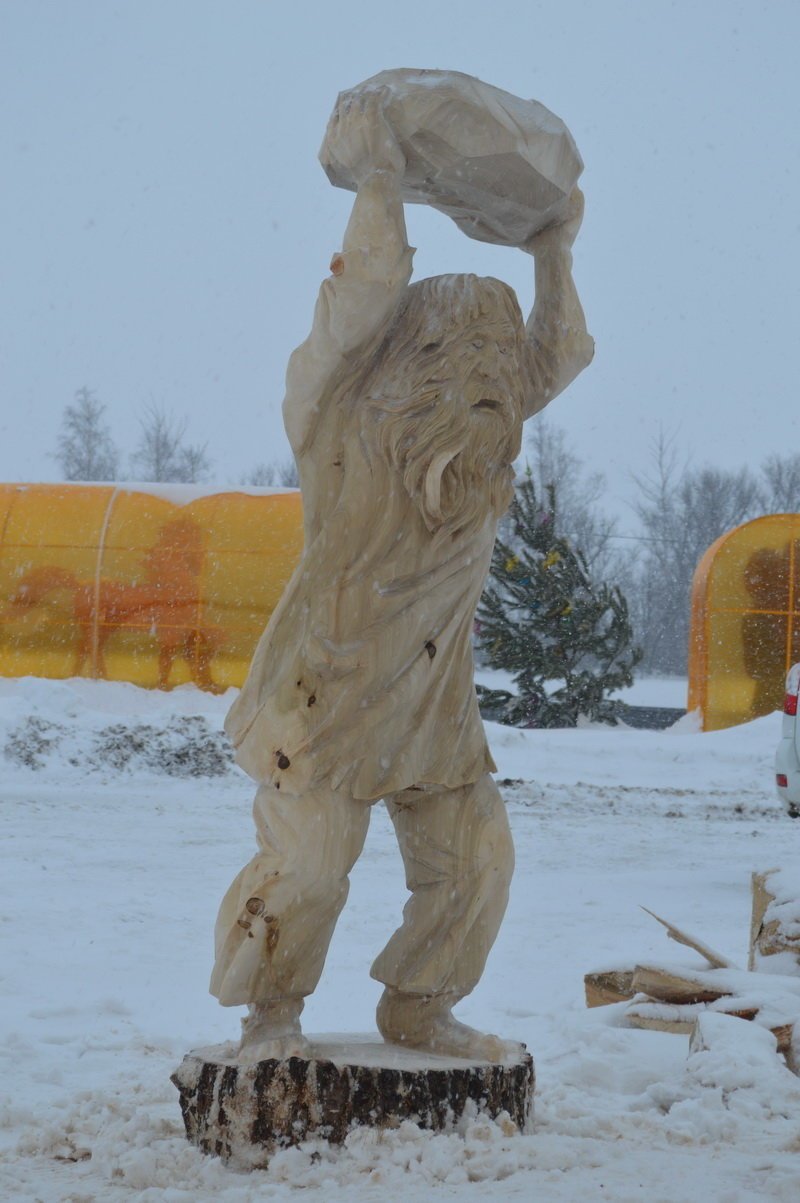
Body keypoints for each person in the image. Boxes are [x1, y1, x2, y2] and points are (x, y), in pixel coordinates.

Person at [210, 90, 594, 1062]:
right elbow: (367, 288)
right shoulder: (333, 413)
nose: (485, 387)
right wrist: (380, 176)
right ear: (402, 360)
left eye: (495, 374)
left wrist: (551, 248)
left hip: (434, 704)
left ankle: (420, 1004)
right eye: (459, 359)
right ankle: (270, 1020)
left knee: (475, 863)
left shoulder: (480, 460)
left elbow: (556, 352)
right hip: (321, 693)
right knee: (307, 870)